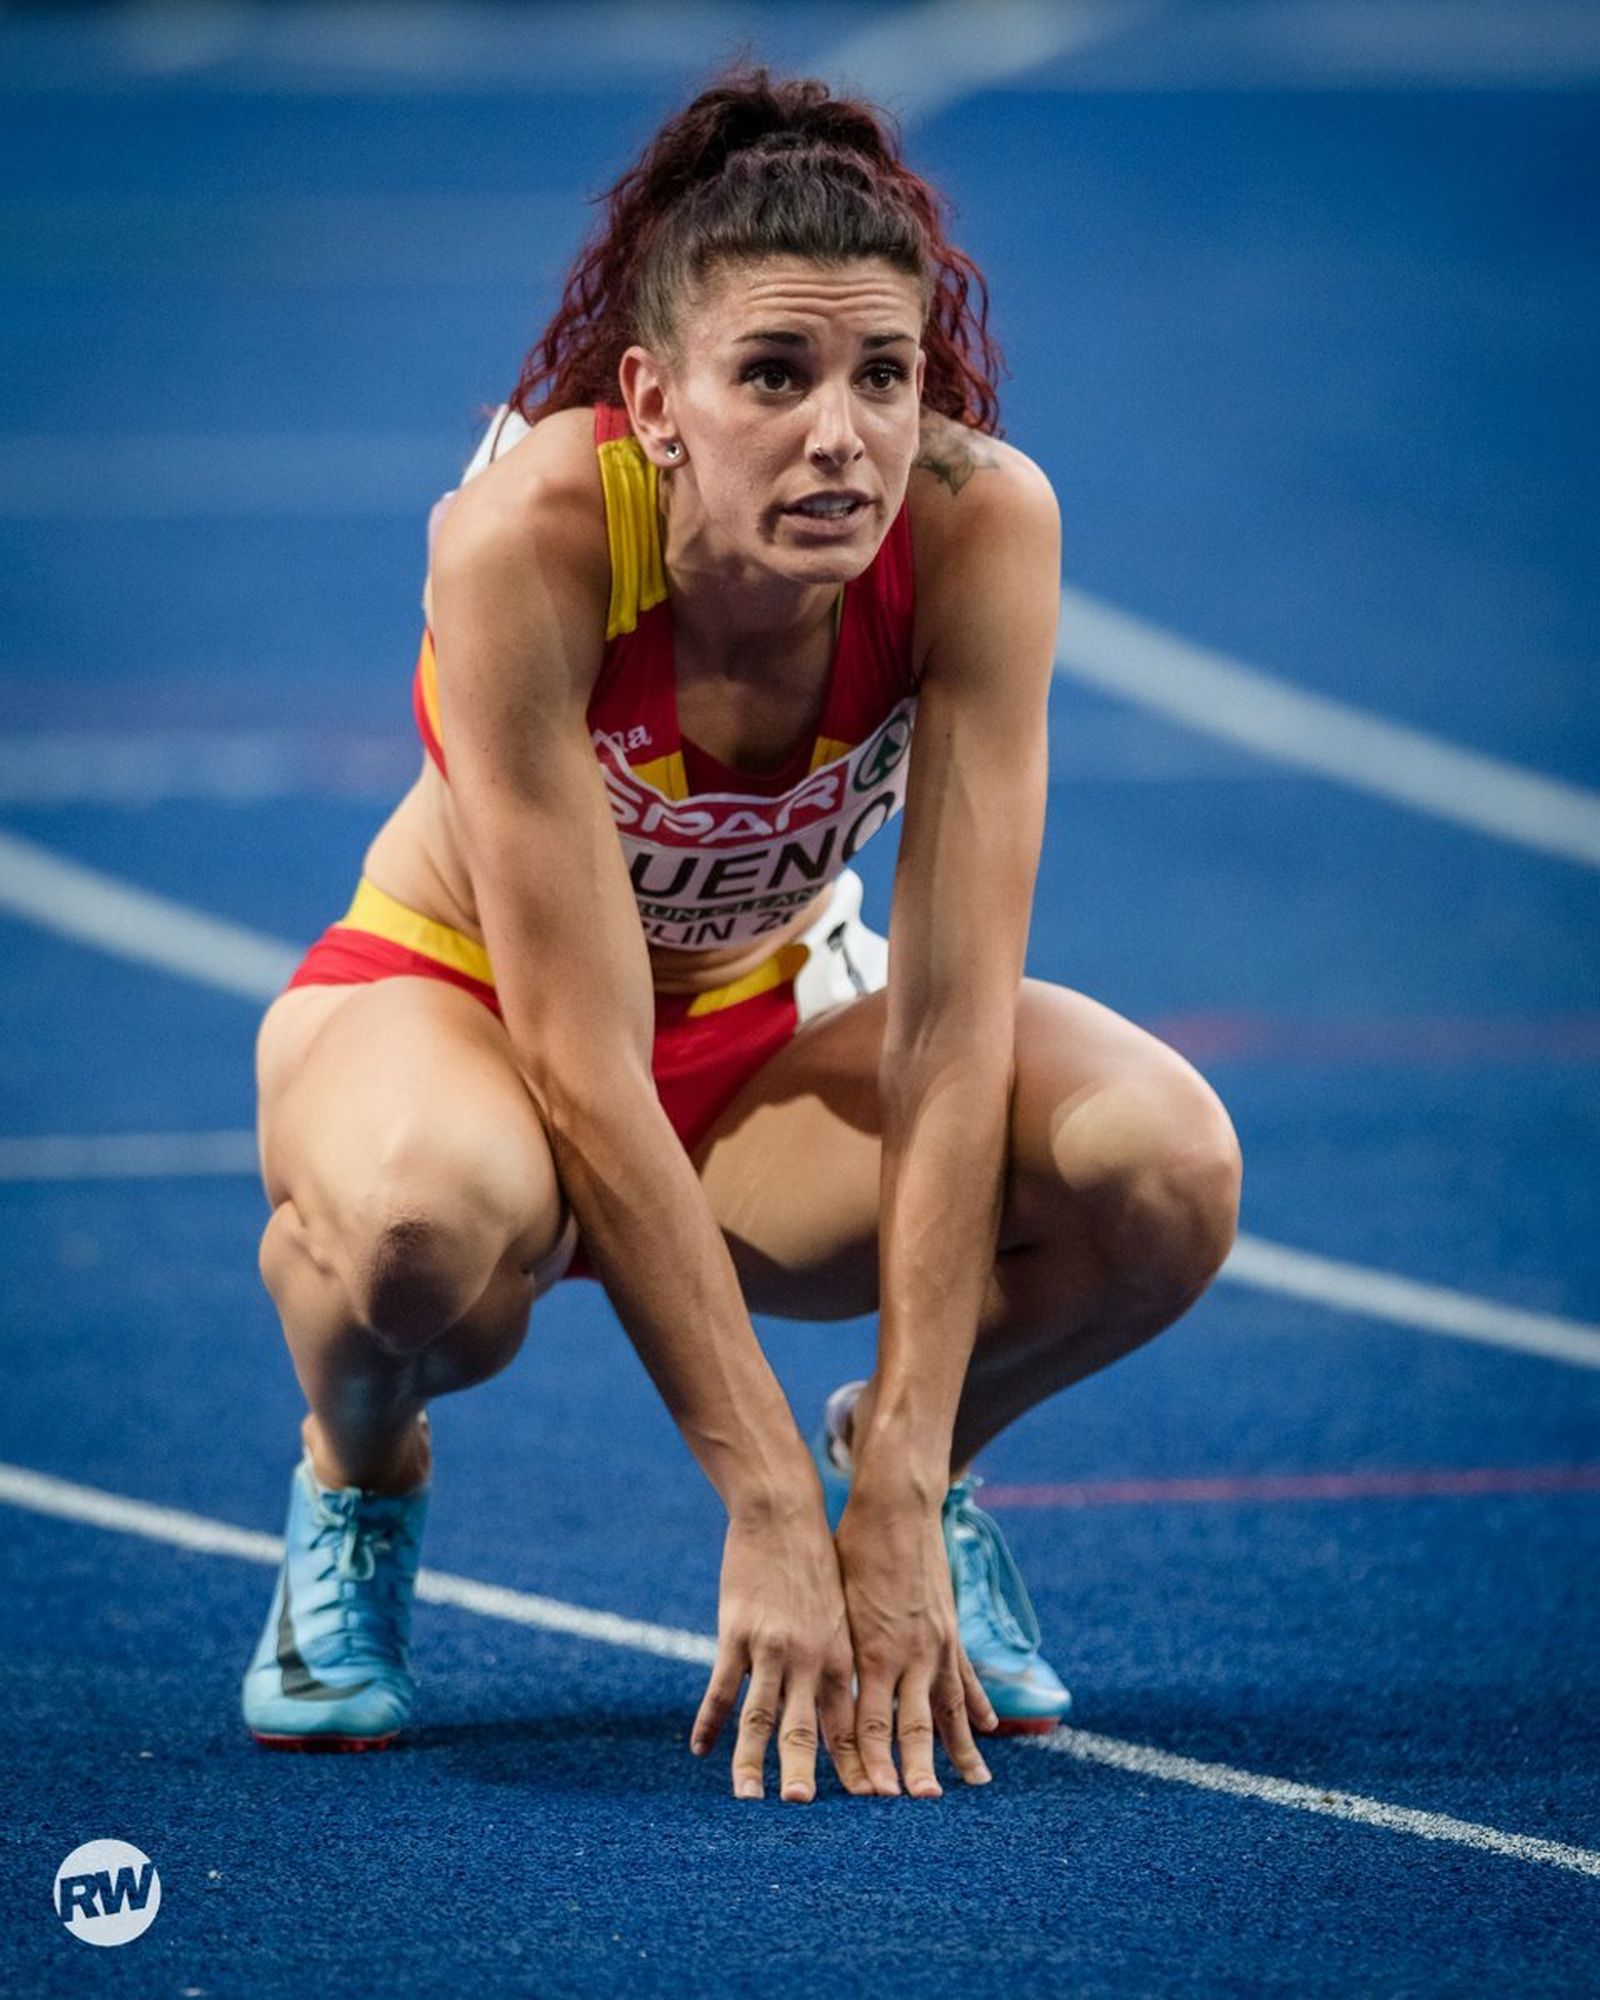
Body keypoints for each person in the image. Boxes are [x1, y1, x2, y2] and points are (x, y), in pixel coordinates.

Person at [240, 66, 1242, 1804]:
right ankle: (358, 1473)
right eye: (774, 375)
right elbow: (577, 1054)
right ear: (655, 402)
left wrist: (893, 1477)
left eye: (883, 375)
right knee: (418, 1237)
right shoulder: (533, 540)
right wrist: (766, 1504)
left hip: (768, 1024)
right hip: (463, 1009)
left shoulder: (979, 525)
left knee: (1163, 1171)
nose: (840, 435)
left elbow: (951, 1022)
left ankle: (929, 1482)